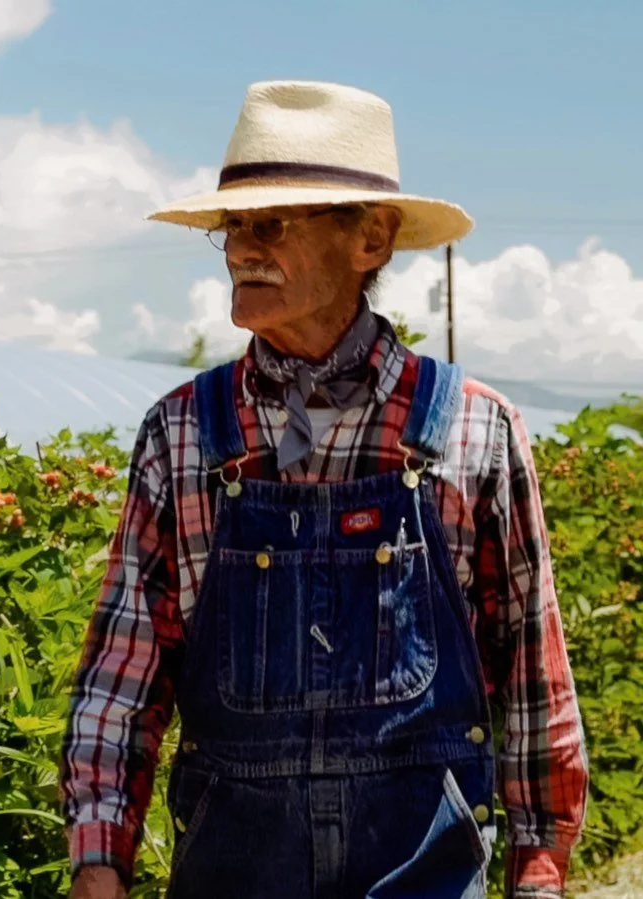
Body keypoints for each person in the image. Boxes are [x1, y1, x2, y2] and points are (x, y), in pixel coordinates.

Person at [59, 80, 588, 899]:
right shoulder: (184, 434)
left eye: (269, 224)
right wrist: (98, 859)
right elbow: (121, 677)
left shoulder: (474, 431)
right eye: (232, 227)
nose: (240, 249)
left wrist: (542, 869)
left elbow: (529, 672)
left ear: (370, 238)